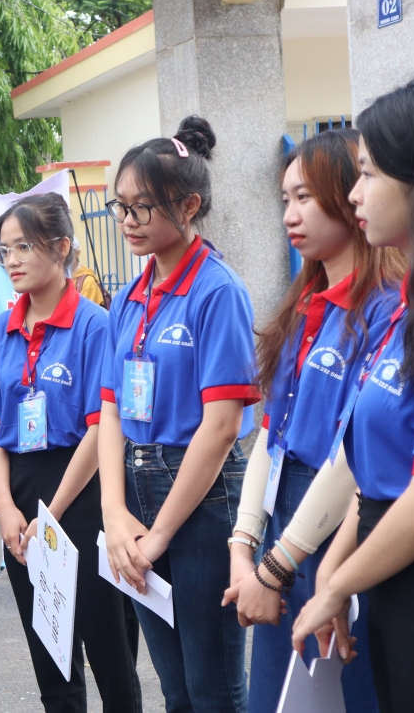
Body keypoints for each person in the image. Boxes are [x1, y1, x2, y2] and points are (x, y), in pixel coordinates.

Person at [291, 77, 414, 713]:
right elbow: (371, 478)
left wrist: (335, 585)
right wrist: (331, 577)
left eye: (367, 174)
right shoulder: (409, 306)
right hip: (391, 575)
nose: (352, 194)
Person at [222, 129, 403, 713]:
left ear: (351, 197)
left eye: (305, 197)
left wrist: (277, 565)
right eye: (283, 200)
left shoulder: (386, 308)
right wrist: (243, 547)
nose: (290, 215)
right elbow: (268, 440)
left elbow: (356, 462)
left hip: (342, 532)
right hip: (285, 526)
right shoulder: (303, 306)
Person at [98, 116, 259, 713]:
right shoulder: (129, 297)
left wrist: (159, 532)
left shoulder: (217, 292)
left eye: (143, 208)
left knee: (213, 690)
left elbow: (220, 428)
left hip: (200, 496)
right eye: (122, 207)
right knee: (175, 691)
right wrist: (115, 515)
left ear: (189, 205)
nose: (128, 222)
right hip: (136, 491)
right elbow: (110, 410)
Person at [0, 193, 141, 713]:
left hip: (85, 490)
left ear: (62, 246)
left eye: (25, 246)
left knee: (110, 652)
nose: (14, 260)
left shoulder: (96, 324)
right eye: (5, 251)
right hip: (22, 492)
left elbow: (101, 428)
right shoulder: (0, 331)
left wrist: (58, 513)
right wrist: (5, 505)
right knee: (50, 652)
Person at [70, 238, 108, 308]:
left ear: (77, 253)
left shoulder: (88, 282)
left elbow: (85, 314)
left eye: (68, 251)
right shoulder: (60, 279)